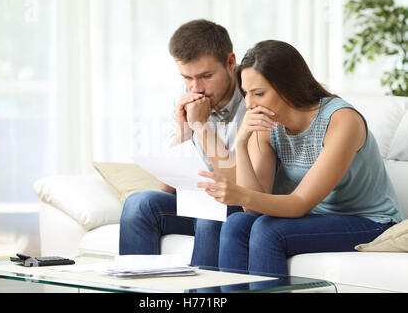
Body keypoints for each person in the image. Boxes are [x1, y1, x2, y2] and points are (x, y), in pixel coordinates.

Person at [196, 40, 403, 275]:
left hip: (371, 222)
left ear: (287, 87)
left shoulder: (342, 121)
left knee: (267, 230)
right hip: (314, 217)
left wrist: (240, 194)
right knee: (234, 223)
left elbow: (299, 202)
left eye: (259, 93)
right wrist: (242, 143)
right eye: (246, 93)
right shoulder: (266, 124)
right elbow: (253, 208)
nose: (250, 104)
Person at [119, 19, 246, 266]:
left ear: (230, 62)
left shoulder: (254, 94)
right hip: (198, 202)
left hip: (237, 204)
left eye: (206, 76)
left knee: (212, 211)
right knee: (139, 204)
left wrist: (202, 126)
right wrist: (185, 131)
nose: (196, 88)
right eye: (187, 78)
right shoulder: (187, 98)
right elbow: (167, 188)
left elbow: (240, 187)